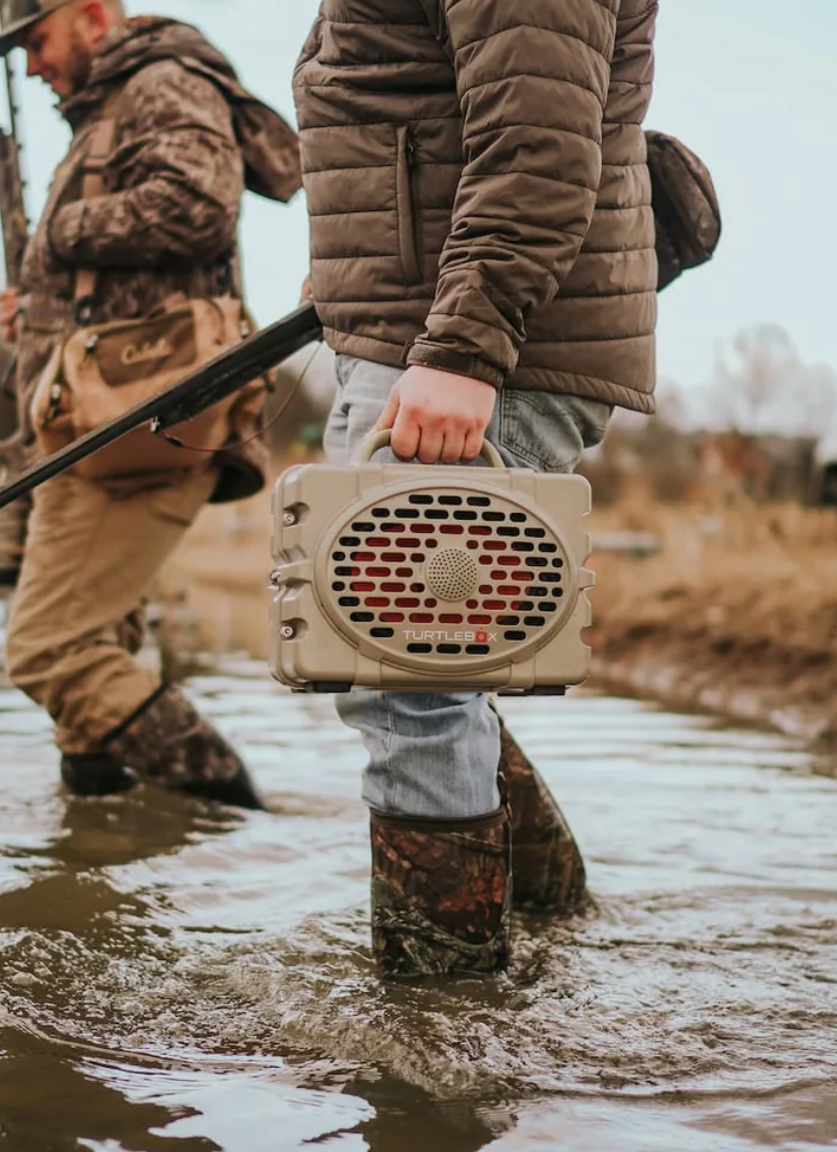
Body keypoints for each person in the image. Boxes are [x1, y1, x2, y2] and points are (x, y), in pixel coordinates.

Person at [294, 0, 659, 977]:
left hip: (466, 349)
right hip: (418, 331)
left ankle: (442, 1021)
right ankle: (548, 929)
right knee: (416, 663)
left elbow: (535, 137)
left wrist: (463, 345)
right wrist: (344, 281)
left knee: (406, 681)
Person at [0, 0, 301, 806]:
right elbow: (126, 275)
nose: (32, 65)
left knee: (49, 653)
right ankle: (109, 866)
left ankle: (232, 818)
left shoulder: (163, 81)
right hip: (92, 426)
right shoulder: (115, 106)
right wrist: (44, 303)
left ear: (91, 15)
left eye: (37, 40)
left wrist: (54, 238)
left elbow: (198, 205)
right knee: (91, 664)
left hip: (135, 425)